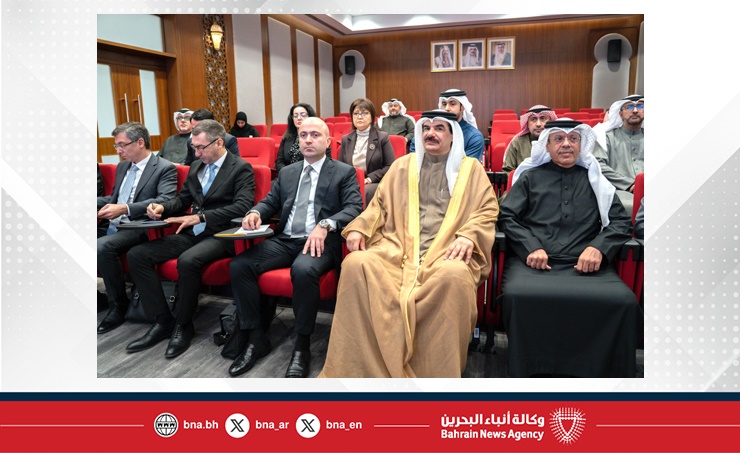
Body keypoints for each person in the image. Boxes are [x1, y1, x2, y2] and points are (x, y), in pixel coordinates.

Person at [319, 110, 499, 378]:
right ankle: (359, 370)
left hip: (445, 253)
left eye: (439, 128)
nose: (431, 133)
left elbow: (487, 211)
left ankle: (433, 377)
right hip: (397, 249)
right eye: (426, 128)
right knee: (356, 263)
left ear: (453, 136)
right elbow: (378, 206)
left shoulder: (471, 170)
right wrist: (360, 227)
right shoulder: (403, 166)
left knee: (455, 276)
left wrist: (469, 235)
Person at [498, 119, 638, 378]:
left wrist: (598, 248)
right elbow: (507, 216)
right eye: (559, 139)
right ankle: (532, 373)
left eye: (573, 139)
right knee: (517, 295)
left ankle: (605, 376)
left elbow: (620, 221)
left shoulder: (595, 180)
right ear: (547, 145)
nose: (566, 144)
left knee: (624, 302)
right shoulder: (530, 177)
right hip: (535, 264)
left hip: (585, 265)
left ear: (580, 145)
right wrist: (531, 247)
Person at [228, 117, 363, 378]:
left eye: (315, 135)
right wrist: (255, 212)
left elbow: (354, 208)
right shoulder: (289, 172)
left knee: (302, 270)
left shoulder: (344, 172)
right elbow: (270, 201)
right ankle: (255, 338)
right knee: (240, 265)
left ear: (328, 141)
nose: (308, 140)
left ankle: (302, 347)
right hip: (286, 239)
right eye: (303, 135)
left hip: (319, 241)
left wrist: (325, 224)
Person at [125, 119, 255, 359]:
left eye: (201, 147)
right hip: (193, 231)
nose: (196, 153)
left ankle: (183, 325)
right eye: (194, 147)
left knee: (188, 261)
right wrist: (163, 207)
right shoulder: (196, 166)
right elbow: (183, 200)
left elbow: (242, 207)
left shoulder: (240, 168)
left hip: (222, 234)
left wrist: (201, 217)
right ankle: (163, 320)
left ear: (219, 143)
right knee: (138, 255)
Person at [97, 122, 178, 334]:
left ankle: (118, 305)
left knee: (102, 246)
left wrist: (125, 208)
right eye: (116, 146)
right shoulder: (123, 167)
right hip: (114, 222)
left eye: (122, 145)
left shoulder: (164, 168)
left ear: (140, 142)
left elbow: (165, 199)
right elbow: (114, 198)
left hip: (140, 225)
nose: (118, 150)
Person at [592, 94, 644, 213]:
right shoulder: (606, 137)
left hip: (652, 186)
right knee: (626, 205)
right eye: (629, 107)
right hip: (620, 189)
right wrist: (629, 184)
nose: (635, 110)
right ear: (620, 114)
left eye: (640, 106)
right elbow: (598, 164)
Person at [338, 98, 395, 201]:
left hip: (374, 182)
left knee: (363, 191)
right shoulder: (346, 139)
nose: (359, 117)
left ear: (371, 117)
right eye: (356, 113)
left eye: (364, 113)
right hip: (351, 181)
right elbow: (340, 166)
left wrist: (369, 179)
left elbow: (390, 165)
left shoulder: (382, 137)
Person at [411, 89, 485, 162]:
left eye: (452, 104)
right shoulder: (424, 134)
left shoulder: (473, 137)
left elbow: (468, 166)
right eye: (444, 104)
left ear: (462, 107)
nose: (447, 108)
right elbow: (415, 162)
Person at [502, 105, 558, 174]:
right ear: (527, 123)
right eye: (533, 119)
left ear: (551, 121)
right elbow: (508, 171)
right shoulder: (517, 143)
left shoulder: (558, 142)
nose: (538, 124)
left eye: (543, 118)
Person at [275, 103, 330, 172]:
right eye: (295, 116)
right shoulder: (287, 138)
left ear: (310, 116)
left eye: (303, 115)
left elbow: (326, 161)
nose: (299, 118)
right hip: (287, 175)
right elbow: (279, 161)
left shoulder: (320, 137)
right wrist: (287, 173)